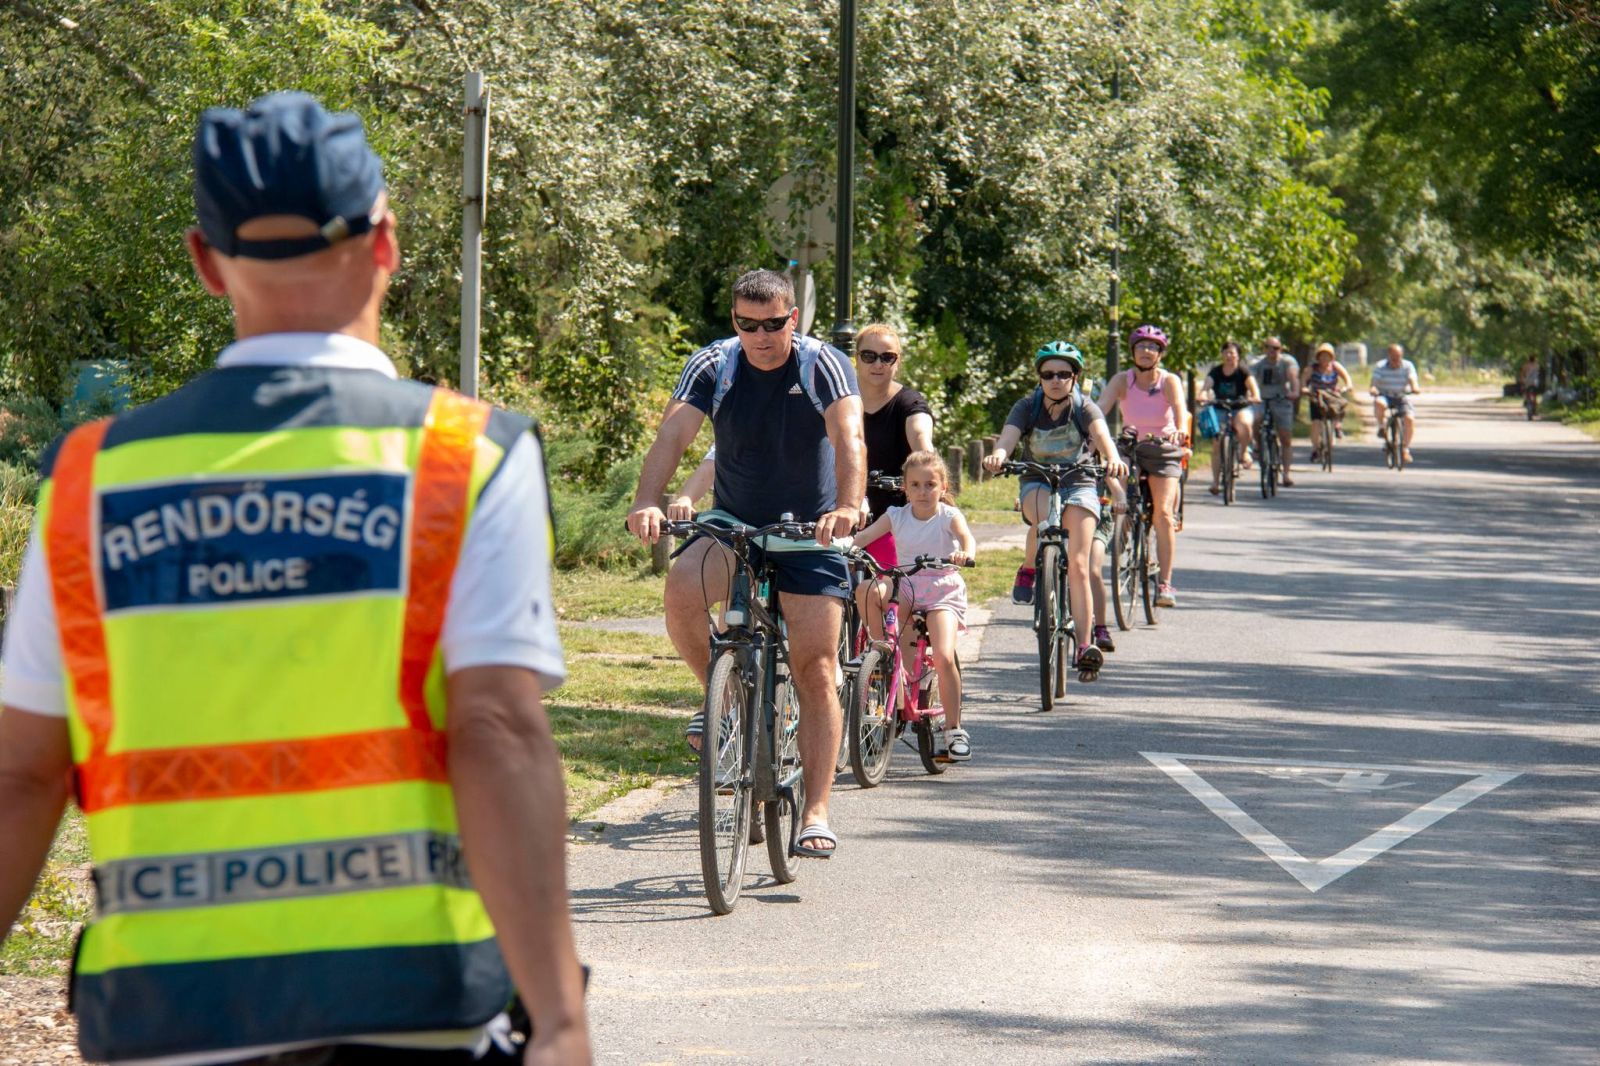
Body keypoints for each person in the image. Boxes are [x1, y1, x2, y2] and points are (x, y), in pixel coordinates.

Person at [0, 92, 590, 1066]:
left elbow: (23, 773)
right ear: (387, 241)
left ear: (202, 259)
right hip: (412, 1004)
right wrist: (559, 1016)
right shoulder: (464, 455)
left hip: (168, 1015)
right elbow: (495, 729)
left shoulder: (90, 480)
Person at [626, 269, 863, 858]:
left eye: (774, 324)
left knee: (815, 667)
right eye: (747, 324)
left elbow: (849, 437)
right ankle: (725, 700)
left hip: (809, 527)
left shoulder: (822, 364)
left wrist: (849, 506)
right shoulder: (714, 363)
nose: (761, 335)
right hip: (735, 521)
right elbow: (673, 435)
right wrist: (647, 502)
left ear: (793, 318)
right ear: (735, 321)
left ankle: (815, 809)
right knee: (682, 587)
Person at [982, 342, 1128, 678]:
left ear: (1075, 377)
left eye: (1064, 374)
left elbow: (1103, 437)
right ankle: (1031, 566)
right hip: (1037, 480)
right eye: (1048, 374)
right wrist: (999, 456)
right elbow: (1007, 439)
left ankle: (1084, 645)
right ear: (1040, 377)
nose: (1056, 380)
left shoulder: (1085, 407)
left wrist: (1113, 459)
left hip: (1080, 482)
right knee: (1043, 519)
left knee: (1078, 563)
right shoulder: (1027, 406)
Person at [850, 451, 974, 759]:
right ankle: (882, 654)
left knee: (944, 657)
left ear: (943, 487)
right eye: (915, 485)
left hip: (941, 591)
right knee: (866, 590)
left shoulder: (948, 516)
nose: (922, 491)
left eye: (930, 484)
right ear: (905, 487)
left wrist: (964, 553)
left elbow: (967, 539)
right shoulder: (896, 515)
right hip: (906, 587)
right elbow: (863, 538)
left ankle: (954, 729)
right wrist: (844, 546)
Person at [1097, 325, 1187, 607]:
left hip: (1163, 449)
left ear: (1160, 353)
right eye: (1141, 347)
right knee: (1117, 483)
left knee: (1162, 514)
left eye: (1152, 347)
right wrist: (1087, 429)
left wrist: (1180, 431)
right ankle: (1122, 527)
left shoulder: (1168, 381)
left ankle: (1165, 584)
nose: (1146, 352)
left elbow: (1180, 410)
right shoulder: (1123, 380)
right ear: (1133, 351)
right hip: (1131, 446)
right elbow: (1100, 409)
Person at [1200, 340, 1262, 494]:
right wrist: (1202, 395)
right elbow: (1206, 386)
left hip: (1240, 407)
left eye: (1232, 353)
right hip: (1220, 408)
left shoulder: (1243, 372)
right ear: (1222, 355)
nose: (1229, 356)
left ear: (1238, 356)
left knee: (1244, 424)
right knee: (1216, 443)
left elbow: (1254, 391)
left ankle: (1244, 452)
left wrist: (1254, 397)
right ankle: (1215, 482)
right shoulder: (1216, 371)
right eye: (1226, 353)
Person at [1250, 335, 1300, 487]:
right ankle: (1258, 444)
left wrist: (1294, 391)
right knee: (1255, 419)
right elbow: (1250, 379)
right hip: (1261, 399)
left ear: (1281, 349)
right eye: (1268, 347)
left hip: (1281, 399)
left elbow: (1293, 377)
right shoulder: (1257, 363)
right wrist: (1250, 394)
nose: (1272, 351)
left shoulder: (1287, 361)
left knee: (1285, 437)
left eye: (1276, 348)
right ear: (1264, 349)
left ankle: (1286, 474)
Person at [1300, 342, 1354, 463]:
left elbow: (1347, 378)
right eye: (1322, 356)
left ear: (1332, 357)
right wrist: (1304, 388)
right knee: (1316, 423)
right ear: (1318, 357)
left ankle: (1337, 426)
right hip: (1316, 396)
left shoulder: (1335, 366)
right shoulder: (1312, 368)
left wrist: (1347, 386)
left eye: (1327, 356)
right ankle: (1315, 449)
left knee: (1340, 406)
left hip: (1332, 396)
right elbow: (1303, 380)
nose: (1325, 358)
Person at [1370, 343, 1423, 462]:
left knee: (1409, 419)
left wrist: (1415, 388)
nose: (1396, 360)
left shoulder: (1407, 365)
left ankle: (1405, 449)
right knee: (1379, 403)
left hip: (1401, 396)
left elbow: (1412, 379)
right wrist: (1373, 388)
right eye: (1393, 357)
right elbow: (1374, 382)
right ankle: (1382, 427)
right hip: (1385, 395)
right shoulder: (1380, 366)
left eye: (1398, 356)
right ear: (1388, 356)